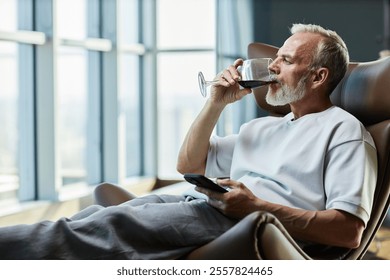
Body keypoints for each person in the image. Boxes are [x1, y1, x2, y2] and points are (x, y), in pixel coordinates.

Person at [0, 23, 377, 260]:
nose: (273, 67)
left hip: (243, 221)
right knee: (89, 219)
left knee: (100, 228)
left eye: (286, 60)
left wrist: (254, 206)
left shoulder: (343, 130)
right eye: (274, 58)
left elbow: (348, 231)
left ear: (317, 76)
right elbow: (189, 166)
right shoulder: (262, 128)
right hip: (200, 204)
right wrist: (214, 104)